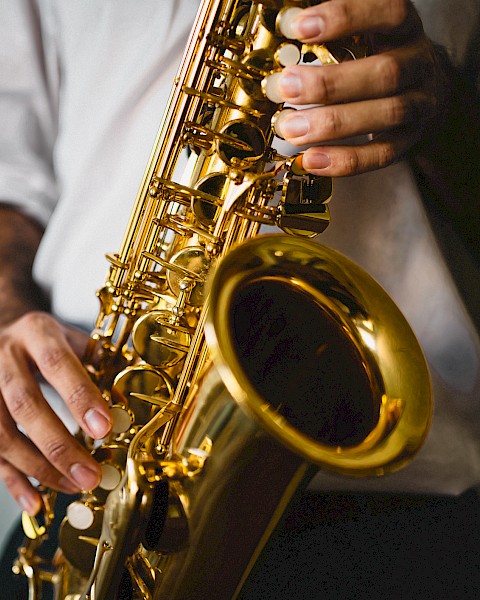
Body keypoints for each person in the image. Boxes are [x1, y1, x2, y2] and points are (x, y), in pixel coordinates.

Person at [0, 0, 479, 597]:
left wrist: (448, 116)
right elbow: (12, 182)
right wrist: (7, 320)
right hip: (85, 460)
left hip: (409, 504)